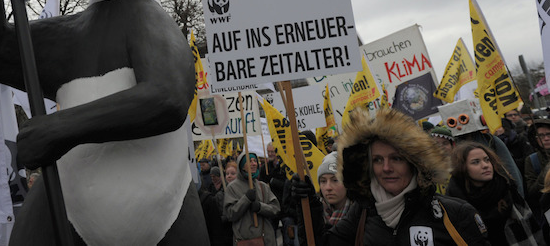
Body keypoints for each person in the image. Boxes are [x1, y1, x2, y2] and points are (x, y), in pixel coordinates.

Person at [293, 108, 489, 245]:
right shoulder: (363, 212)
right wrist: (308, 207)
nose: (386, 168)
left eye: (396, 158)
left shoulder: (455, 213)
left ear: (414, 163)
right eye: (377, 160)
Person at [447, 141, 542, 245]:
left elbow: (533, 231)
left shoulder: (506, 188)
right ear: (462, 168)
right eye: (475, 162)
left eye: (487, 160)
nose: (485, 165)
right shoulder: (455, 203)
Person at [224, 152, 280, 245]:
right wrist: (246, 199)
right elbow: (230, 214)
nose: (254, 164)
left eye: (255, 161)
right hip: (244, 240)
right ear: (242, 166)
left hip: (266, 240)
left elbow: (276, 209)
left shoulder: (262, 186)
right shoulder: (232, 188)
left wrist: (260, 207)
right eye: (249, 161)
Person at [525, 119, 550, 225]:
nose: (546, 138)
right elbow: (532, 193)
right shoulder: (532, 160)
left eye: (549, 134)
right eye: (541, 136)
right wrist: (547, 170)